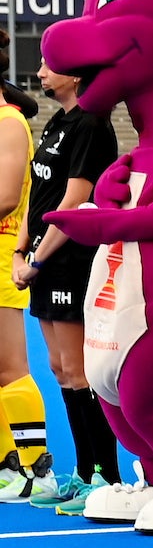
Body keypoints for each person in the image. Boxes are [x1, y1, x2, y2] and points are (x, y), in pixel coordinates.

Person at [12, 64, 120, 512]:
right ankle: (81, 470)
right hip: (42, 259)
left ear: (76, 76)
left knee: (80, 370)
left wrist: (38, 257)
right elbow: (37, 194)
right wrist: (21, 249)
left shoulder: (92, 124)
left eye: (48, 65)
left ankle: (104, 475)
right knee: (59, 369)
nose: (39, 71)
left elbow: (74, 200)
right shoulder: (56, 121)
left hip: (70, 259)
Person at [0, 80, 47, 501]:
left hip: (2, 253)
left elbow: (7, 196)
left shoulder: (9, 122)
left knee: (9, 365)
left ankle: (35, 465)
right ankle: (6, 463)